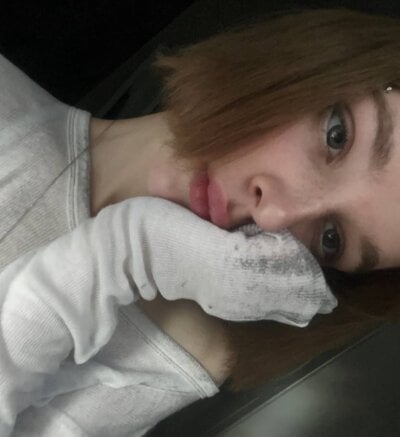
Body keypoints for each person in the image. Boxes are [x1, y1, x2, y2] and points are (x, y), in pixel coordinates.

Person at [0, 5, 400, 436]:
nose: (274, 215)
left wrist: (125, 257)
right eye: (336, 136)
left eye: (331, 239)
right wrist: (131, 244)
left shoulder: (171, 357)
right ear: (307, 61)